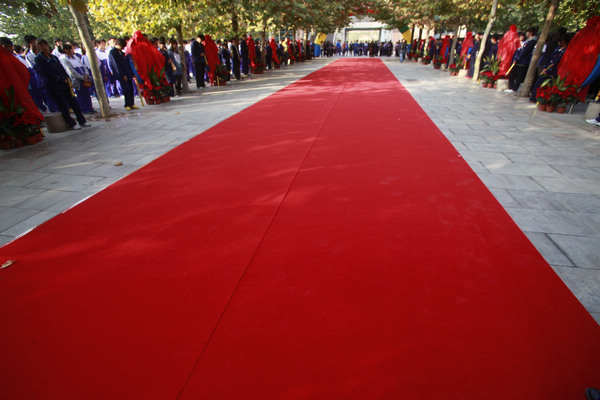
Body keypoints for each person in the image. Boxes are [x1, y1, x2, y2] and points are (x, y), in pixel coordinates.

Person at [34, 38, 90, 130]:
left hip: (65, 83)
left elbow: (61, 69)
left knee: (73, 102)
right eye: (41, 46)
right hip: (54, 86)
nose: (44, 47)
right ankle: (71, 123)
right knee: (63, 105)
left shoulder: (54, 57)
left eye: (45, 45)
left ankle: (82, 121)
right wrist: (59, 79)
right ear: (39, 48)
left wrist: (66, 78)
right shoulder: (39, 59)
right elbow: (46, 72)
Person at [59, 44, 94, 114]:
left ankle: (89, 107)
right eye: (71, 49)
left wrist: (86, 74)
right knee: (80, 94)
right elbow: (71, 72)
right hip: (77, 80)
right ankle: (84, 109)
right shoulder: (64, 59)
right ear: (66, 50)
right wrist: (82, 77)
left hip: (84, 78)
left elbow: (84, 66)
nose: (73, 50)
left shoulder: (76, 58)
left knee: (87, 94)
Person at [108, 38, 137, 111]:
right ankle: (127, 104)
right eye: (122, 46)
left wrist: (132, 73)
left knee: (131, 88)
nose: (123, 48)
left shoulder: (121, 52)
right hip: (122, 74)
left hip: (128, 73)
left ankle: (132, 103)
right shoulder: (113, 53)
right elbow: (116, 65)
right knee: (126, 89)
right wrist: (123, 75)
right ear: (117, 44)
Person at [506, 27, 537, 93]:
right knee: (512, 74)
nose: (526, 33)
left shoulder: (532, 41)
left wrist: (518, 58)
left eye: (527, 32)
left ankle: (514, 89)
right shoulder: (528, 41)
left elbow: (525, 51)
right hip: (519, 60)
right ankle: (511, 87)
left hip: (523, 61)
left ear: (530, 32)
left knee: (518, 76)